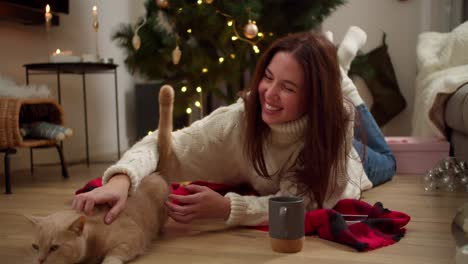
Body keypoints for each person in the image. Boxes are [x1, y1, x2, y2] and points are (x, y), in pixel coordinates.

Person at [72, 27, 396, 226]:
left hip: (352, 160)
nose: (269, 93)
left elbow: (307, 203)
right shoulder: (242, 116)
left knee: (389, 159)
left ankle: (341, 74)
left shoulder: (335, 120)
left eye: (288, 87)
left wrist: (228, 207)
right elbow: (166, 143)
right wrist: (119, 180)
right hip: (321, 120)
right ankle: (337, 70)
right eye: (268, 77)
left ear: (313, 98)